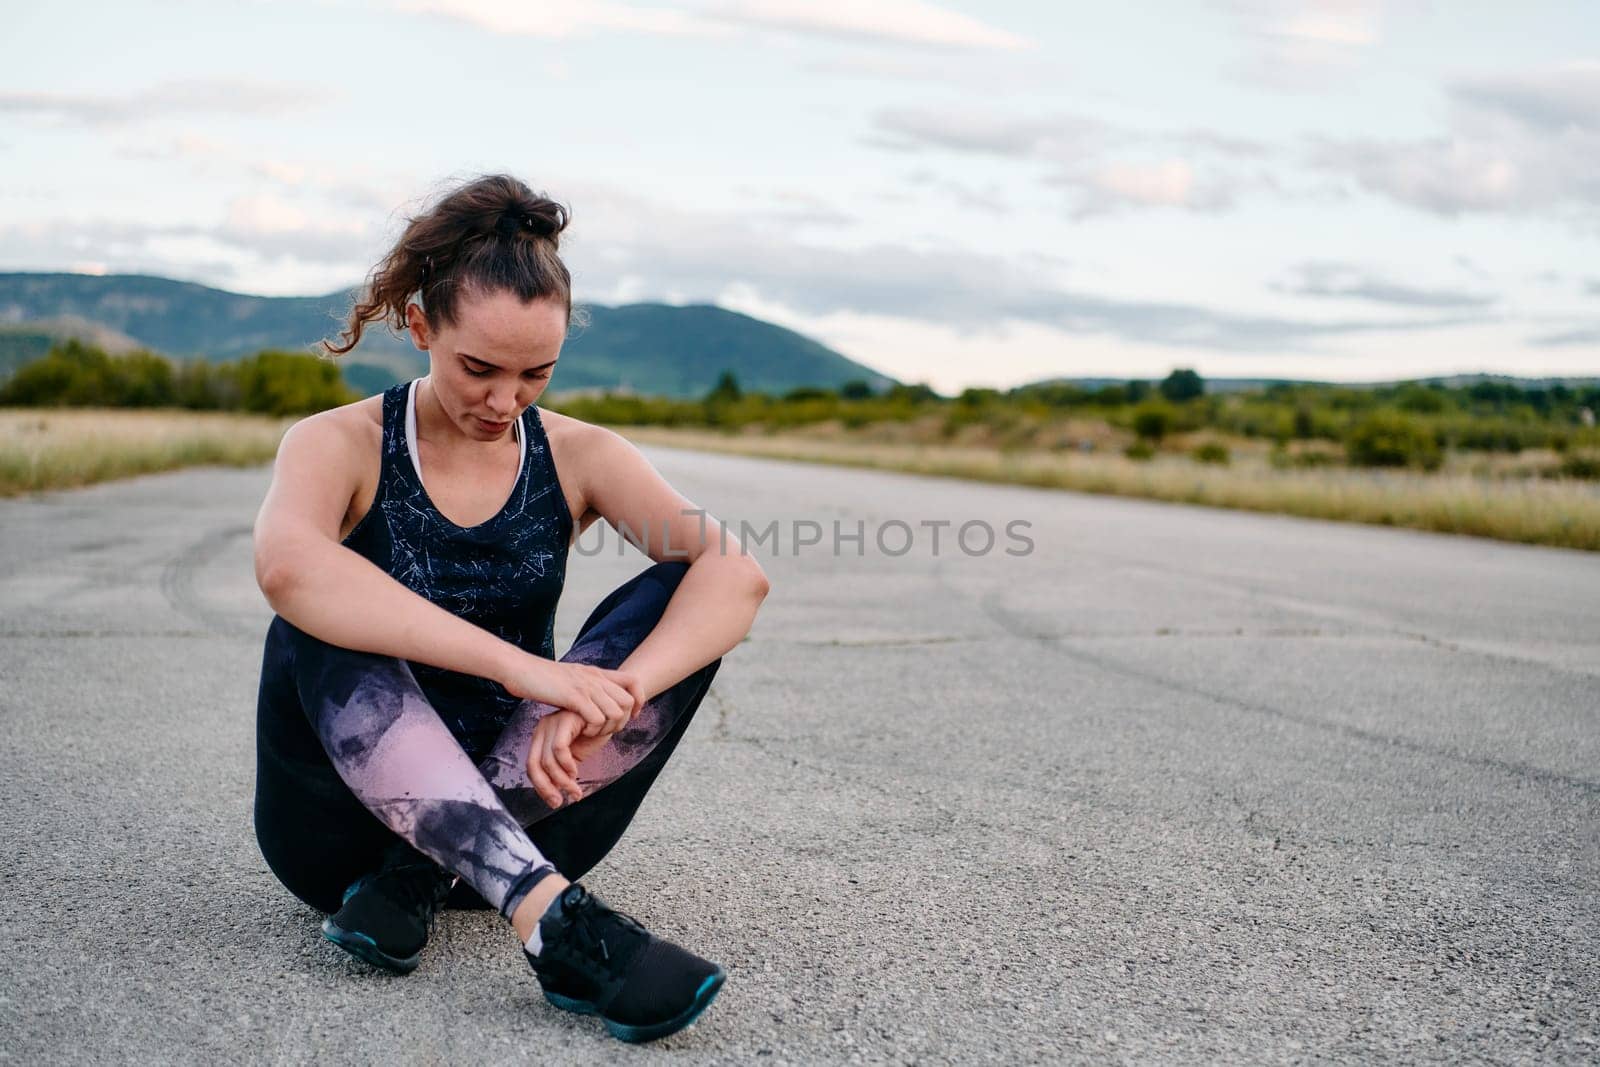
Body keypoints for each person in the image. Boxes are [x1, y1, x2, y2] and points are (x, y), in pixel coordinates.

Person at [250, 173, 770, 1044]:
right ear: (420, 327)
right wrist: (528, 669)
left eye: (536, 373)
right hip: (335, 827)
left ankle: (418, 878)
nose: (504, 401)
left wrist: (614, 693)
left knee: (687, 587)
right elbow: (287, 569)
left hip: (535, 797)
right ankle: (556, 925)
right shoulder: (334, 442)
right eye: (478, 368)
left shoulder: (580, 452)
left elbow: (737, 577)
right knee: (322, 608)